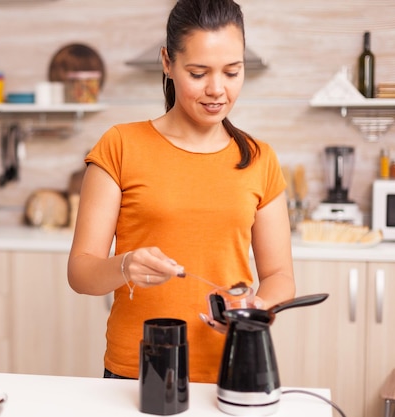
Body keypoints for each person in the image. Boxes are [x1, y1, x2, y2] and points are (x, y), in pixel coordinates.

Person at [67, 0, 295, 383]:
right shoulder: (120, 145)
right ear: (167, 63)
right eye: (198, 72)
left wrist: (251, 310)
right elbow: (81, 272)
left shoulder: (259, 158)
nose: (217, 90)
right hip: (138, 369)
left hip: (229, 366)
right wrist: (125, 265)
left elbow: (280, 276)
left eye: (232, 71)